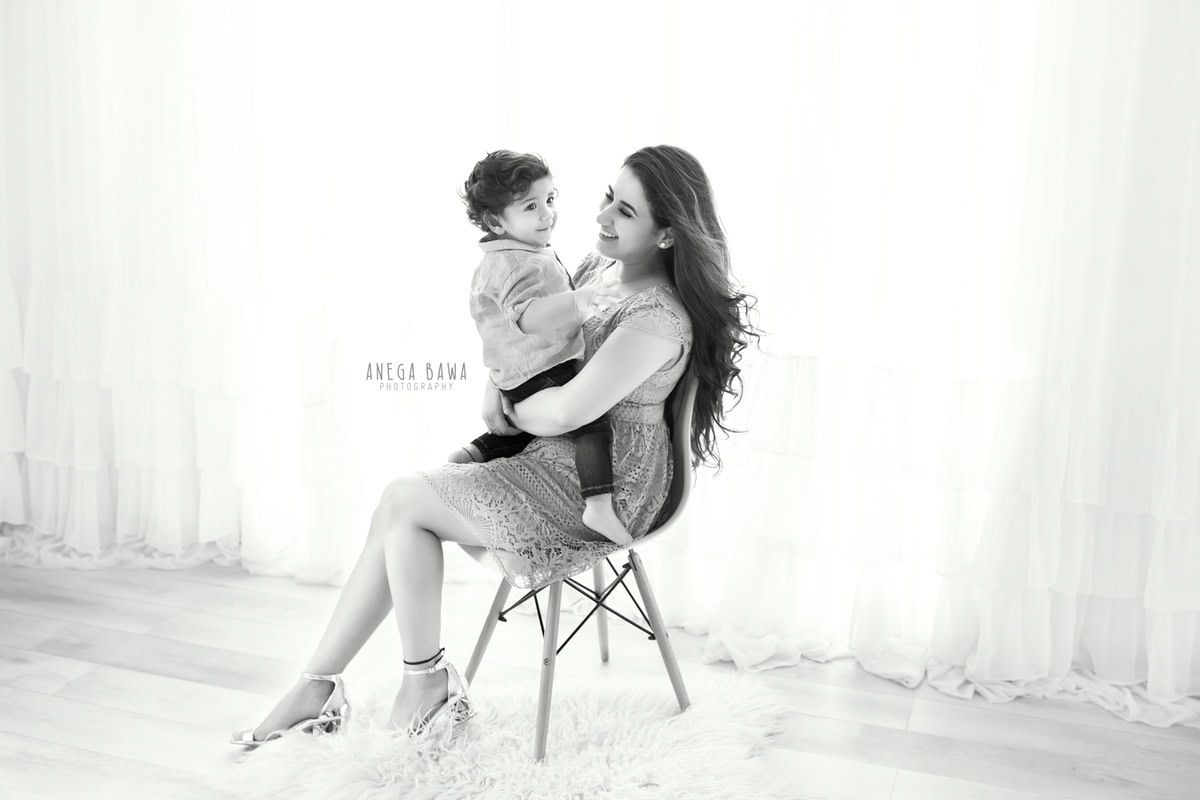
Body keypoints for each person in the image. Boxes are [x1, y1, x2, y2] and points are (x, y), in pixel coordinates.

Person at [231, 144, 757, 746]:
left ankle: (387, 687)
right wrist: (496, 382)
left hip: (608, 487)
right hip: (551, 457)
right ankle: (335, 686)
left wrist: (510, 403)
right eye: (608, 196)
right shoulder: (594, 269)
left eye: (626, 212)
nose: (602, 217)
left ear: (667, 236)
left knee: (402, 504)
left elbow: (565, 411)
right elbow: (533, 343)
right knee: (398, 510)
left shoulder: (657, 319)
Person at [449, 149, 631, 547]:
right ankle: (597, 503)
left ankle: (476, 452)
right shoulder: (517, 263)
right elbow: (526, 317)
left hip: (517, 375)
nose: (547, 214)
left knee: (521, 430)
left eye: (550, 200)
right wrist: (581, 300)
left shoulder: (514, 253)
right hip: (541, 370)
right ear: (497, 221)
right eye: (531, 206)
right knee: (590, 419)